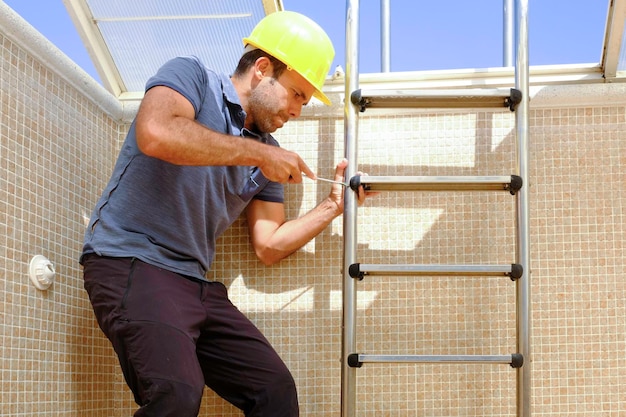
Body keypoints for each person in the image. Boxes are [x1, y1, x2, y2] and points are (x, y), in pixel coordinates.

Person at [79, 10, 370, 417]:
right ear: (263, 69)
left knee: (275, 391)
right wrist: (261, 154)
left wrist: (332, 208)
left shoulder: (265, 152)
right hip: (130, 260)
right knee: (177, 394)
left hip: (193, 283)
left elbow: (268, 245)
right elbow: (155, 132)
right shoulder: (192, 76)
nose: (298, 110)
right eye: (298, 94)